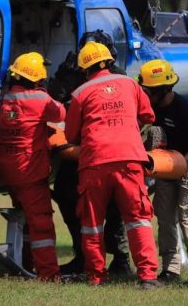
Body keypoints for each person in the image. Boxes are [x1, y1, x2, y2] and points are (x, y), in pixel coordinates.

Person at [64, 41, 160, 289]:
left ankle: (96, 277)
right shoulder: (130, 84)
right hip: (129, 160)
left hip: (94, 163)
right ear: (108, 61)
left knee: (92, 223)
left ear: (84, 68)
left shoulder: (80, 93)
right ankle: (148, 277)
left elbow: (70, 135)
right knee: (138, 219)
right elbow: (149, 116)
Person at [49, 30, 131, 276]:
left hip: (112, 150)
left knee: (118, 205)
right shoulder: (73, 72)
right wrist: (64, 75)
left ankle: (120, 257)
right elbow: (55, 99)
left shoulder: (119, 78)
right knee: (65, 193)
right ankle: (84, 254)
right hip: (80, 150)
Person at [138, 59, 188, 286]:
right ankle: (170, 270)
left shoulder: (187, 109)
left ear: (161, 90)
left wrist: (183, 164)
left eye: (147, 90)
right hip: (166, 164)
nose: (144, 94)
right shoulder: (152, 108)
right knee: (165, 217)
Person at [0, 52, 66, 281]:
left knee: (25, 220)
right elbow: (61, 113)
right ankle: (48, 274)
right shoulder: (40, 99)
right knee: (42, 224)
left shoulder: (2, 99)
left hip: (8, 171)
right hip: (31, 173)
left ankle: (26, 262)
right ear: (39, 79)